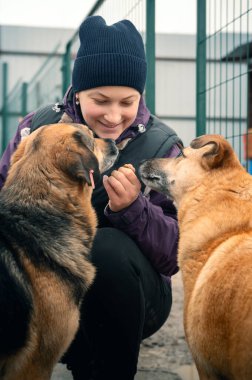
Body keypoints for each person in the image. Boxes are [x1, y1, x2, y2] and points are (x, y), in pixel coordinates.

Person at [0, 16, 183, 380]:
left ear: (140, 96)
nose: (114, 116)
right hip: (38, 290)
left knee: (107, 248)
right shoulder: (36, 130)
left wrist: (134, 210)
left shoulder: (163, 149)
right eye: (100, 100)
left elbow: (176, 253)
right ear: (77, 91)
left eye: (127, 101)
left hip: (132, 297)